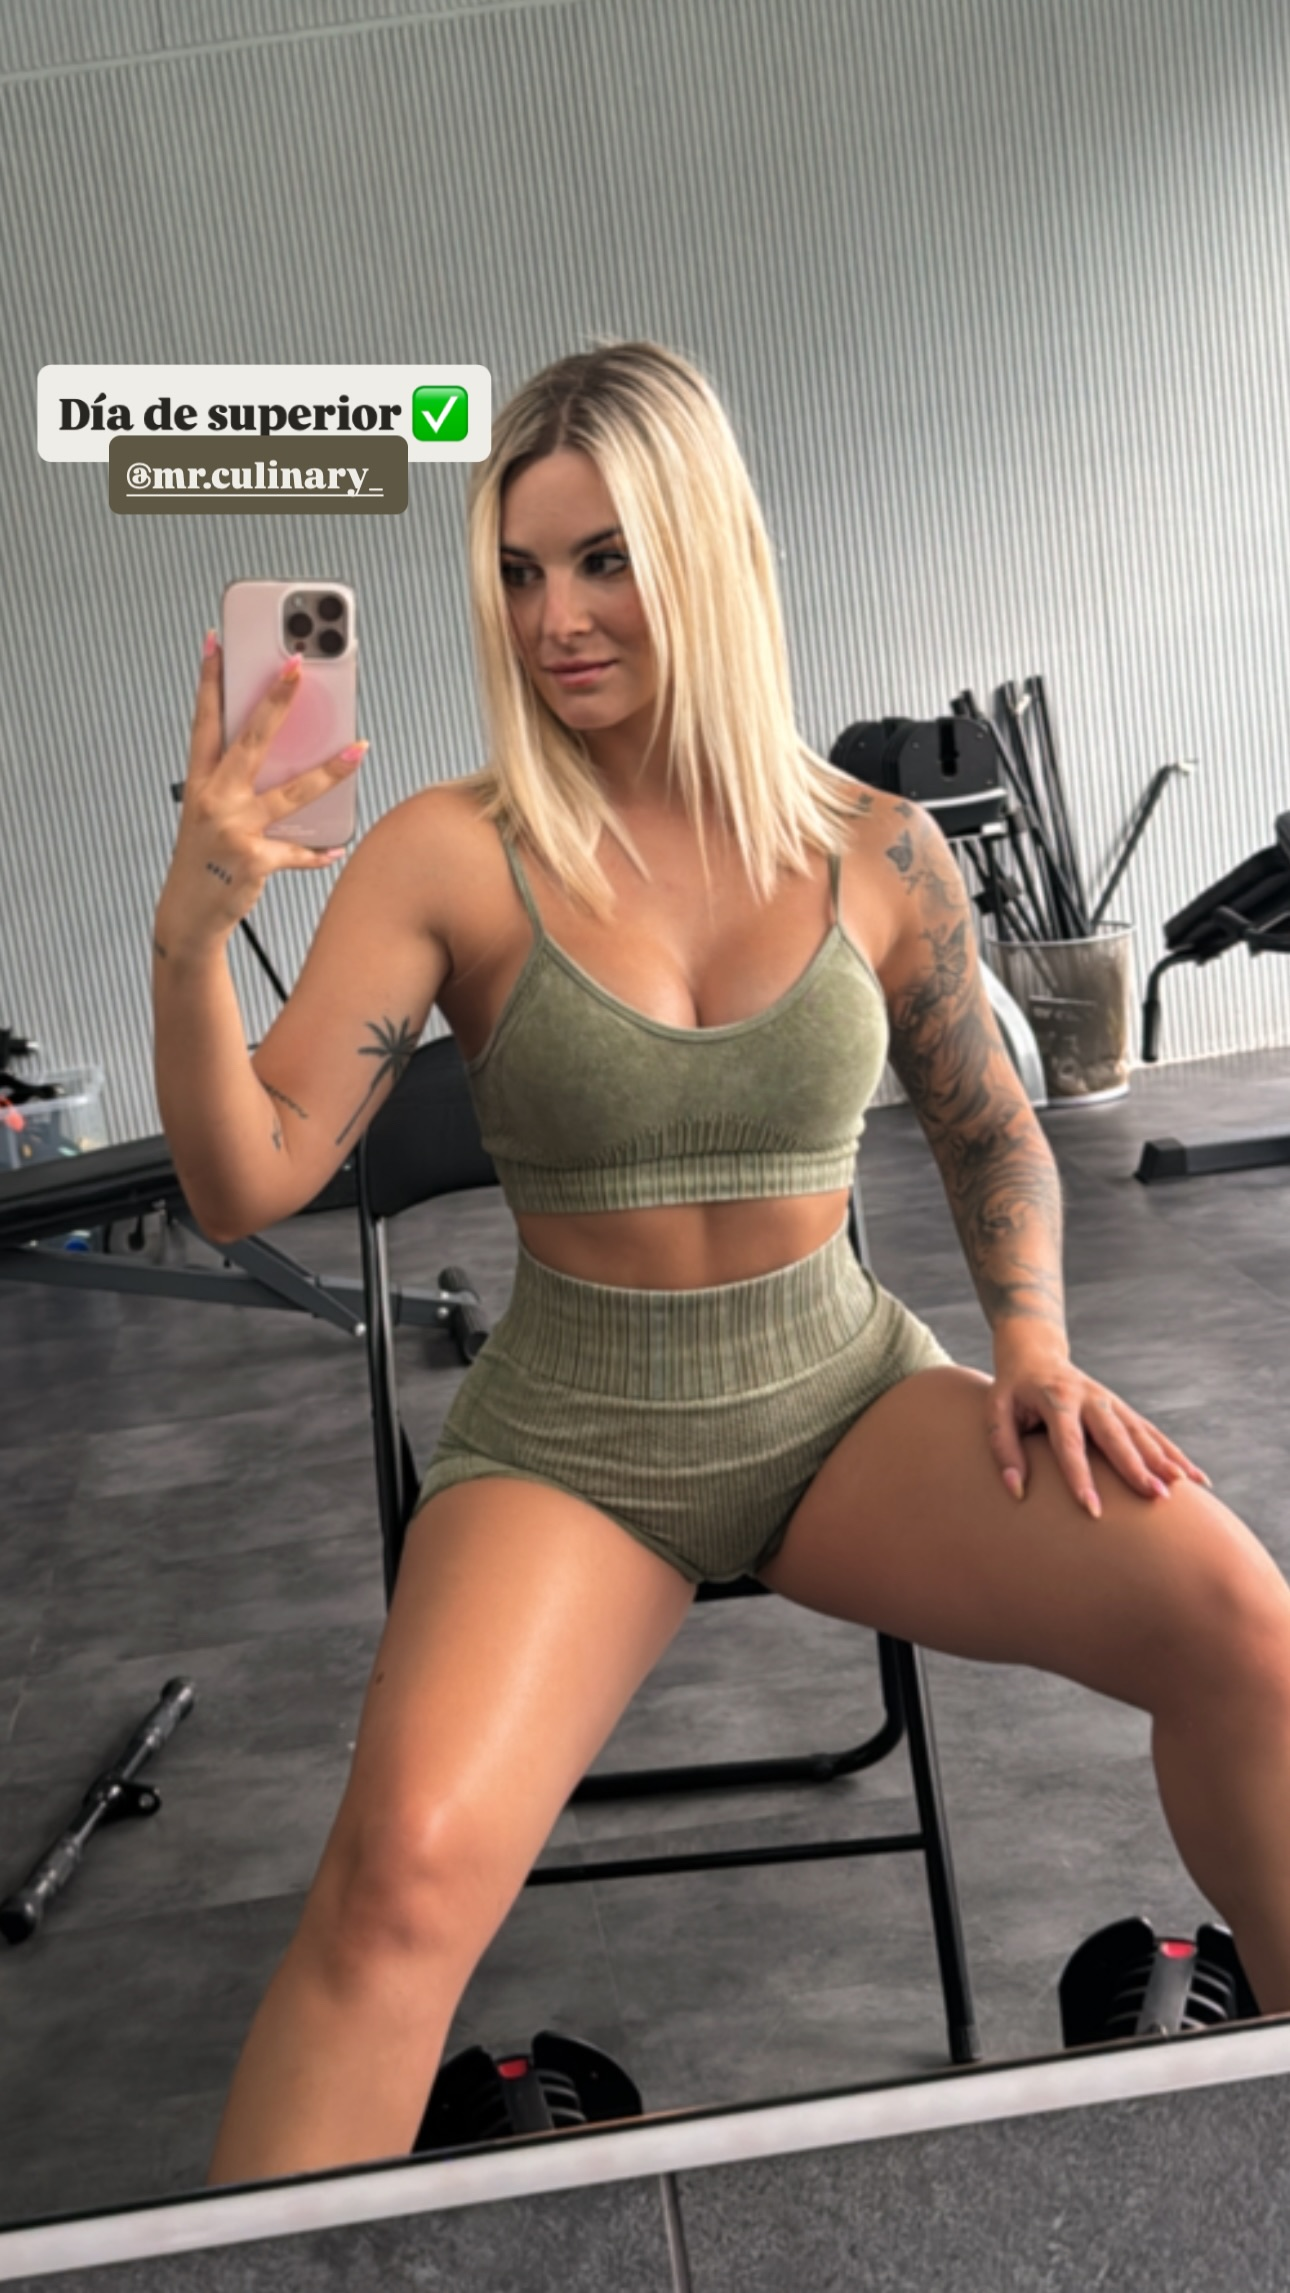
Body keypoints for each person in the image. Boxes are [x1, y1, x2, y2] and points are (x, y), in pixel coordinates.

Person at [152, 341, 1290, 2190]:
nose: (556, 619)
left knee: (1245, 1631)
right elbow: (240, 1185)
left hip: (842, 1400)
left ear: (706, 551)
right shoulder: (450, 853)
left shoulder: (875, 848)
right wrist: (193, 941)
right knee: (399, 1883)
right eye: (520, 572)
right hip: (572, 1441)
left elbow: (989, 1124)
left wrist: (1027, 1342)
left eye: (603, 559)